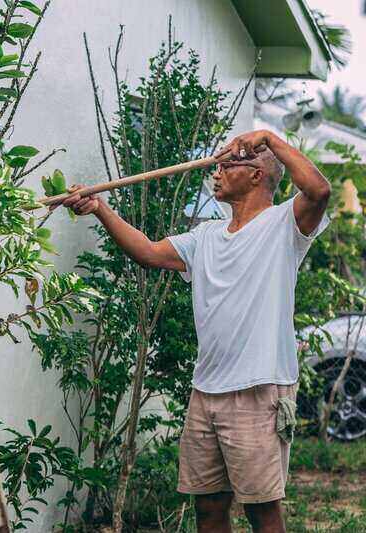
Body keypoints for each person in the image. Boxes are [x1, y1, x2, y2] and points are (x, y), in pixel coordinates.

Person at [63, 130, 331, 533]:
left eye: (228, 164)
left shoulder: (283, 226)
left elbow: (319, 190)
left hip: (258, 392)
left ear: (258, 174)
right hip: (206, 392)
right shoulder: (205, 236)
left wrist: (269, 140)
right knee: (207, 508)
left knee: (263, 510)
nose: (216, 171)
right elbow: (148, 252)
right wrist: (100, 208)